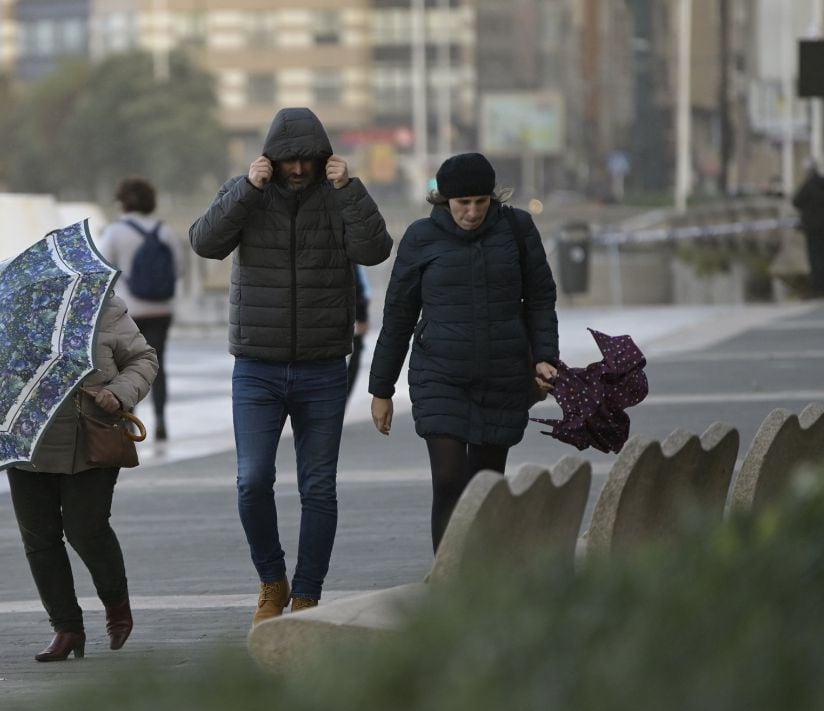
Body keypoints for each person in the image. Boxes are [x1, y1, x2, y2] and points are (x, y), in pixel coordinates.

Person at [190, 107, 393, 624]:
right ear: (271, 159)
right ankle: (271, 579)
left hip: (324, 366)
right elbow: (205, 243)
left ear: (323, 156)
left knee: (318, 486)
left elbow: (375, 249)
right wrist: (247, 191)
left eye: (307, 159)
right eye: (288, 160)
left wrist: (350, 188)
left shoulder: (338, 194)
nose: (298, 168)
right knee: (252, 480)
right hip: (257, 365)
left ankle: (307, 593)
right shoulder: (247, 192)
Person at [368, 152, 559, 553]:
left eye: (480, 202)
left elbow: (540, 298)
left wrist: (545, 356)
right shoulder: (421, 238)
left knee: (486, 482)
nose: (471, 212)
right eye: (462, 204)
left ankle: (481, 579)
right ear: (444, 201)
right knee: (450, 478)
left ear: (493, 198)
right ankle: (448, 581)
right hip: (440, 374)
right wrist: (381, 388)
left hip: (503, 371)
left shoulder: (517, 228)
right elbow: (398, 315)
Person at [7, 294, 158, 661]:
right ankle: (67, 628)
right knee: (39, 538)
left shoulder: (103, 306)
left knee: (85, 529)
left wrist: (118, 393)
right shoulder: (14, 313)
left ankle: (116, 605)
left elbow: (143, 358)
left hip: (92, 437)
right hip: (27, 442)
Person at [98, 177, 186, 441]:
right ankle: (160, 420)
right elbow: (178, 269)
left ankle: (129, 422)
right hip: (161, 310)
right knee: (157, 365)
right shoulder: (165, 231)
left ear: (121, 202)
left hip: (128, 313)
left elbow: (103, 271)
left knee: (126, 369)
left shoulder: (114, 232)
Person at [793, 162, 824, 297]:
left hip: (813, 228)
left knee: (815, 258)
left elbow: (796, 201)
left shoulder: (808, 185)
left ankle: (818, 287)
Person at [346, 264, 371, 402]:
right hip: (354, 318)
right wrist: (362, 318)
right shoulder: (352, 263)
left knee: (355, 358)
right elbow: (359, 288)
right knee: (353, 360)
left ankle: (344, 397)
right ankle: (343, 397)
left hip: (357, 316)